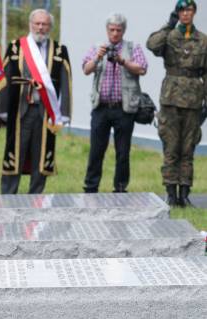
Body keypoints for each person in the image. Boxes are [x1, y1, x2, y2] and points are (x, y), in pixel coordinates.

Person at [0, 9, 71, 194]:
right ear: (30, 24)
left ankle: (36, 196)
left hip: (46, 112)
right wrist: (2, 109)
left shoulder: (59, 50)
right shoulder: (15, 47)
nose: (40, 27)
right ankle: (8, 195)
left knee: (41, 154)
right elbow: (5, 77)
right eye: (37, 23)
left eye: (44, 24)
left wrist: (64, 113)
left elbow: (66, 81)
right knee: (15, 152)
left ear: (50, 26)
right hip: (19, 110)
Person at [147, 0, 207, 207]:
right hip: (171, 99)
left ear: (194, 12)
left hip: (193, 101)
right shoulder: (169, 35)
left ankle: (185, 193)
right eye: (181, 10)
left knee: (188, 148)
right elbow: (152, 45)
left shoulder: (203, 40)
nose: (185, 13)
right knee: (171, 147)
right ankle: (171, 193)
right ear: (177, 13)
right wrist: (168, 25)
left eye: (189, 10)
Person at [82, 13, 148, 194]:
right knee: (96, 151)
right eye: (111, 30)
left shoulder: (132, 47)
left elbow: (142, 69)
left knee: (123, 152)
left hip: (124, 108)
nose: (115, 33)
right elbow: (86, 69)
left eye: (118, 30)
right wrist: (98, 57)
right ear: (107, 30)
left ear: (124, 31)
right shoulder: (98, 47)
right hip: (101, 107)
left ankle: (120, 188)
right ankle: (91, 188)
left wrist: (122, 61)